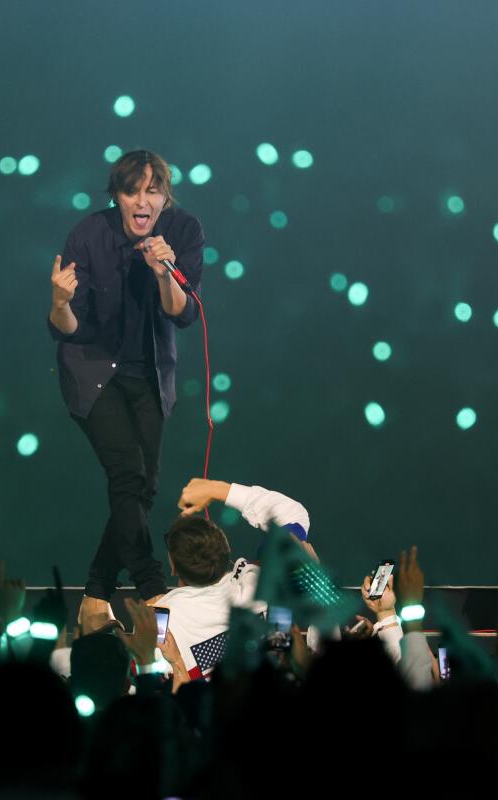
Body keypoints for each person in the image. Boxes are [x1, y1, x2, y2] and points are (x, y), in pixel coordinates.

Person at [47, 150, 205, 629]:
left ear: (164, 197)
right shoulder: (89, 235)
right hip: (94, 373)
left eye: (152, 191)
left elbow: (182, 312)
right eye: (131, 191)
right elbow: (66, 328)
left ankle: (96, 596)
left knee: (143, 487)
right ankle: (152, 585)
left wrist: (164, 273)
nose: (143, 201)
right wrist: (59, 300)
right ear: (116, 197)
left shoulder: (183, 231)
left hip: (151, 375)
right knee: (128, 475)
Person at [159, 478, 316, 678]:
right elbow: (292, 515)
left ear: (173, 566)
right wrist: (216, 490)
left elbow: (143, 666)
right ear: (226, 552)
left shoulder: (161, 617)